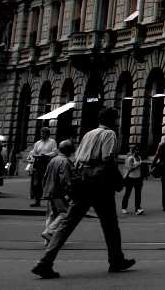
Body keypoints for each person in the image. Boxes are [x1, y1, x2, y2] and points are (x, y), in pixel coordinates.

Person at [31, 107, 135, 279]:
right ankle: (116, 259)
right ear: (112, 120)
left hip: (82, 181)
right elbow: (107, 159)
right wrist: (118, 180)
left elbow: (77, 159)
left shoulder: (88, 134)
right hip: (99, 184)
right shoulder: (109, 134)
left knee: (67, 224)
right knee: (110, 225)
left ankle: (44, 262)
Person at [41, 140, 74, 244]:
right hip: (58, 192)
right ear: (68, 151)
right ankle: (49, 232)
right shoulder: (65, 161)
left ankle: (47, 239)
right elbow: (65, 179)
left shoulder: (53, 160)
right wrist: (69, 193)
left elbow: (45, 176)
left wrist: (45, 190)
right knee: (65, 213)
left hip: (50, 191)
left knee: (52, 214)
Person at [29, 128, 59, 207]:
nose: (42, 135)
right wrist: (33, 156)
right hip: (38, 163)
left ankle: (51, 202)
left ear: (48, 134)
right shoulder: (38, 143)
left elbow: (55, 152)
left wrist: (46, 155)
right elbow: (33, 152)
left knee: (48, 182)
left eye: (44, 133)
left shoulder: (52, 142)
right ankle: (37, 200)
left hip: (47, 163)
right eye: (42, 133)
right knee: (36, 183)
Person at [121, 145, 145, 215]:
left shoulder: (139, 157)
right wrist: (138, 165)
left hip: (138, 178)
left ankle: (137, 209)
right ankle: (124, 208)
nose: (138, 151)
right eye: (136, 150)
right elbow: (130, 168)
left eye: (138, 150)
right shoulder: (130, 158)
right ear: (133, 151)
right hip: (130, 178)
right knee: (127, 193)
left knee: (138, 194)